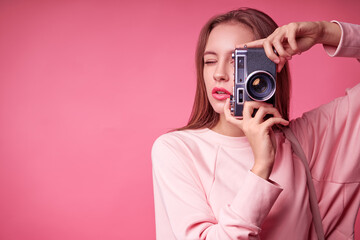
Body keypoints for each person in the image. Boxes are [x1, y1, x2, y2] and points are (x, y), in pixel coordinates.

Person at [152, 7, 360, 239]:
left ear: (269, 67)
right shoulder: (177, 150)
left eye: (236, 61)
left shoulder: (306, 140)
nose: (219, 74)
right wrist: (261, 166)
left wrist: (325, 32)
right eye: (209, 61)